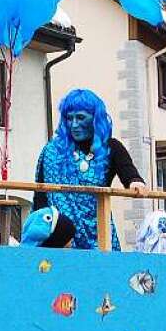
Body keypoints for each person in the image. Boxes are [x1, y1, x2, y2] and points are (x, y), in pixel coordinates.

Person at [33, 89, 146, 250]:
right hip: (61, 239)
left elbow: (129, 173)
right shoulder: (52, 151)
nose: (74, 124)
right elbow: (41, 198)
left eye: (80, 117)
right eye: (69, 118)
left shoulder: (111, 148)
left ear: (95, 119)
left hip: (101, 236)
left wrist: (135, 183)